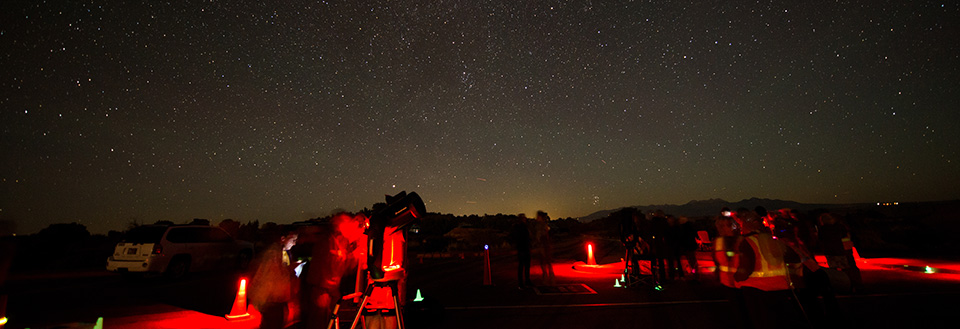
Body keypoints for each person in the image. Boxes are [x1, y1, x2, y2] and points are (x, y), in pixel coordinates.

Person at [734, 209, 805, 329]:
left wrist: (736, 279)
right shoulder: (773, 240)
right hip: (781, 289)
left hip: (756, 291)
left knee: (763, 322)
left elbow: (746, 269)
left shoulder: (747, 243)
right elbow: (795, 258)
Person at [299, 213, 366, 329]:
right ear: (339, 226)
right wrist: (322, 291)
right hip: (322, 291)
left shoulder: (340, 244)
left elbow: (346, 268)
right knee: (319, 323)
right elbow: (323, 268)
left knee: (329, 322)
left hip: (330, 292)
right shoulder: (327, 243)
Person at [250, 226, 299, 329]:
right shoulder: (273, 253)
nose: (294, 243)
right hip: (272, 301)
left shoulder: (283, 252)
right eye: (293, 240)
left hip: (277, 300)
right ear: (283, 239)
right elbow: (273, 276)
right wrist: (290, 270)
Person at [713, 213, 749, 328]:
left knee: (744, 311)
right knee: (738, 311)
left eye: (726, 225)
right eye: (721, 226)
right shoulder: (719, 241)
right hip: (728, 282)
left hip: (742, 282)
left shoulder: (742, 241)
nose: (723, 228)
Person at [818, 213, 863, 293]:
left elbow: (821, 240)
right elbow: (846, 238)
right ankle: (852, 286)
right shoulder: (839, 227)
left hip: (830, 252)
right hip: (841, 251)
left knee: (834, 270)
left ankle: (837, 286)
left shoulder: (823, 229)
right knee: (847, 269)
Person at [509, 214, 533, 289]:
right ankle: (525, 282)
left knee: (522, 266)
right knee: (524, 266)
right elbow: (526, 237)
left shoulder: (516, 227)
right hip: (524, 248)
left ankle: (523, 282)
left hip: (521, 248)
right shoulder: (523, 227)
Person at [533, 211, 555, 285]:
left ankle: (546, 278)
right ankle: (551, 278)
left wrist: (538, 243)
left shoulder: (540, 226)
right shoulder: (544, 225)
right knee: (547, 262)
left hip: (543, 245)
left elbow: (539, 236)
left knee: (544, 261)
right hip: (545, 244)